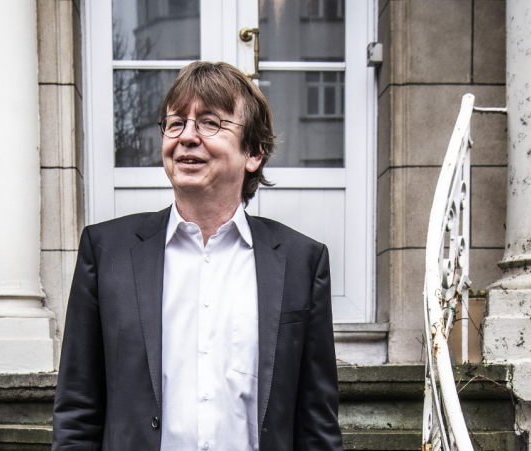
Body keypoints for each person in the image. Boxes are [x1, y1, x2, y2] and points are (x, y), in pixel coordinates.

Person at [52, 61, 343, 451]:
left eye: (210, 123)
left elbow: (317, 425)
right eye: (175, 123)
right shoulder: (106, 253)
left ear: (254, 152)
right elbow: (77, 411)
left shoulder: (301, 262)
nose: (187, 136)